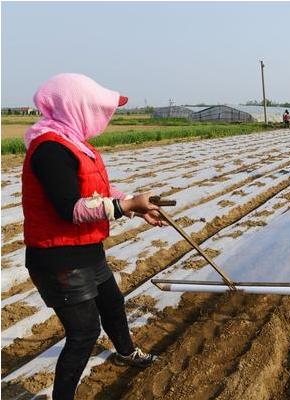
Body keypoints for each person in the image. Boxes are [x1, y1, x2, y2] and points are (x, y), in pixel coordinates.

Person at [22, 73, 165, 400]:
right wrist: (126, 204)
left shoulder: (73, 142)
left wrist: (134, 206)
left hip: (85, 248)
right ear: (77, 107)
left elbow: (96, 191)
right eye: (98, 109)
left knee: (112, 303)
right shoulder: (50, 150)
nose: (104, 117)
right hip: (58, 258)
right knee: (84, 333)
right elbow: (70, 208)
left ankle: (126, 352)